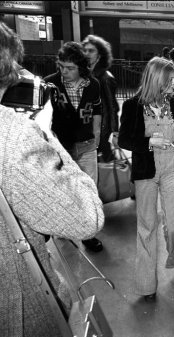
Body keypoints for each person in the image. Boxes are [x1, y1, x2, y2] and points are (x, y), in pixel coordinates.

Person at [0, 21, 104, 336]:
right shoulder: (13, 136)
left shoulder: (94, 84)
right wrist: (43, 133)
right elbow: (86, 217)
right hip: (19, 304)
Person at [118, 57, 174, 302]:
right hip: (146, 170)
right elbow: (124, 140)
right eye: (171, 80)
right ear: (158, 81)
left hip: (171, 168)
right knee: (146, 226)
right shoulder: (132, 106)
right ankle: (147, 285)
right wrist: (149, 142)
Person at [44, 41, 104, 253]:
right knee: (63, 189)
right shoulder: (49, 85)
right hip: (60, 148)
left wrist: (96, 136)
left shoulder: (93, 84)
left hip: (87, 145)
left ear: (81, 67)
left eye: (70, 68)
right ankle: (64, 228)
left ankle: (88, 235)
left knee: (89, 191)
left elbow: (97, 110)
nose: (64, 72)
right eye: (61, 66)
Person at [82, 34, 120, 163]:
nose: (87, 53)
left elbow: (112, 107)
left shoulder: (105, 78)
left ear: (100, 55)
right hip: (86, 126)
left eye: (91, 51)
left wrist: (115, 133)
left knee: (100, 160)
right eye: (85, 50)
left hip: (100, 128)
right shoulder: (84, 74)